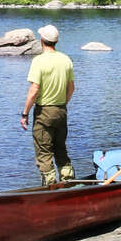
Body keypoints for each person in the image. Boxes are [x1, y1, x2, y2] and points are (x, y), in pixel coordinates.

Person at [20, 24, 75, 185]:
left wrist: (24, 114)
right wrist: (62, 103)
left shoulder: (39, 61)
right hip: (61, 111)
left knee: (44, 152)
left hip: (44, 112)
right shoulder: (65, 59)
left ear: (42, 40)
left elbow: (34, 90)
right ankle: (68, 181)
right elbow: (71, 88)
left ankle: (50, 187)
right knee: (60, 149)